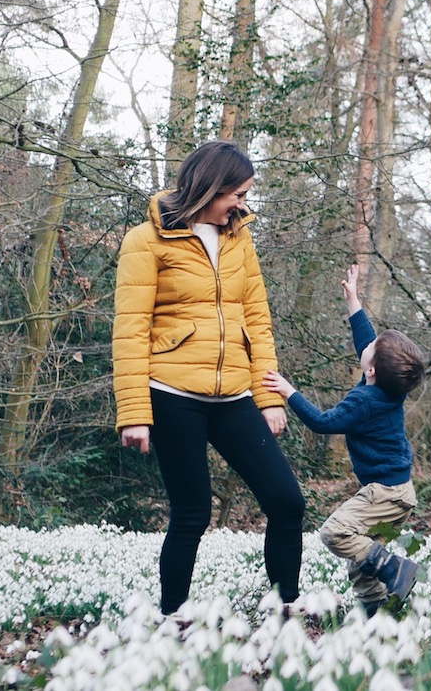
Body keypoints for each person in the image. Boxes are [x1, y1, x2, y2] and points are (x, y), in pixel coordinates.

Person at [113, 140, 305, 617]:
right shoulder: (146, 240)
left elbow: (257, 320)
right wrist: (134, 413)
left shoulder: (241, 240)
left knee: (287, 501)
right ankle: (173, 616)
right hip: (172, 393)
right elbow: (131, 330)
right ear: (209, 187)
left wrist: (269, 397)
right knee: (193, 511)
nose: (242, 204)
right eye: (237, 194)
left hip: (234, 395)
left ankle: (286, 604)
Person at [262, 264, 424, 617]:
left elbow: (322, 422)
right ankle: (377, 616)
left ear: (371, 369)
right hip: (398, 492)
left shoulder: (364, 401)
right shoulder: (388, 389)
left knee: (335, 532)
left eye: (373, 348)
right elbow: (367, 340)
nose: (369, 344)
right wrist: (353, 300)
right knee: (361, 560)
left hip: (385, 494)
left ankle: (394, 569)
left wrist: (288, 391)